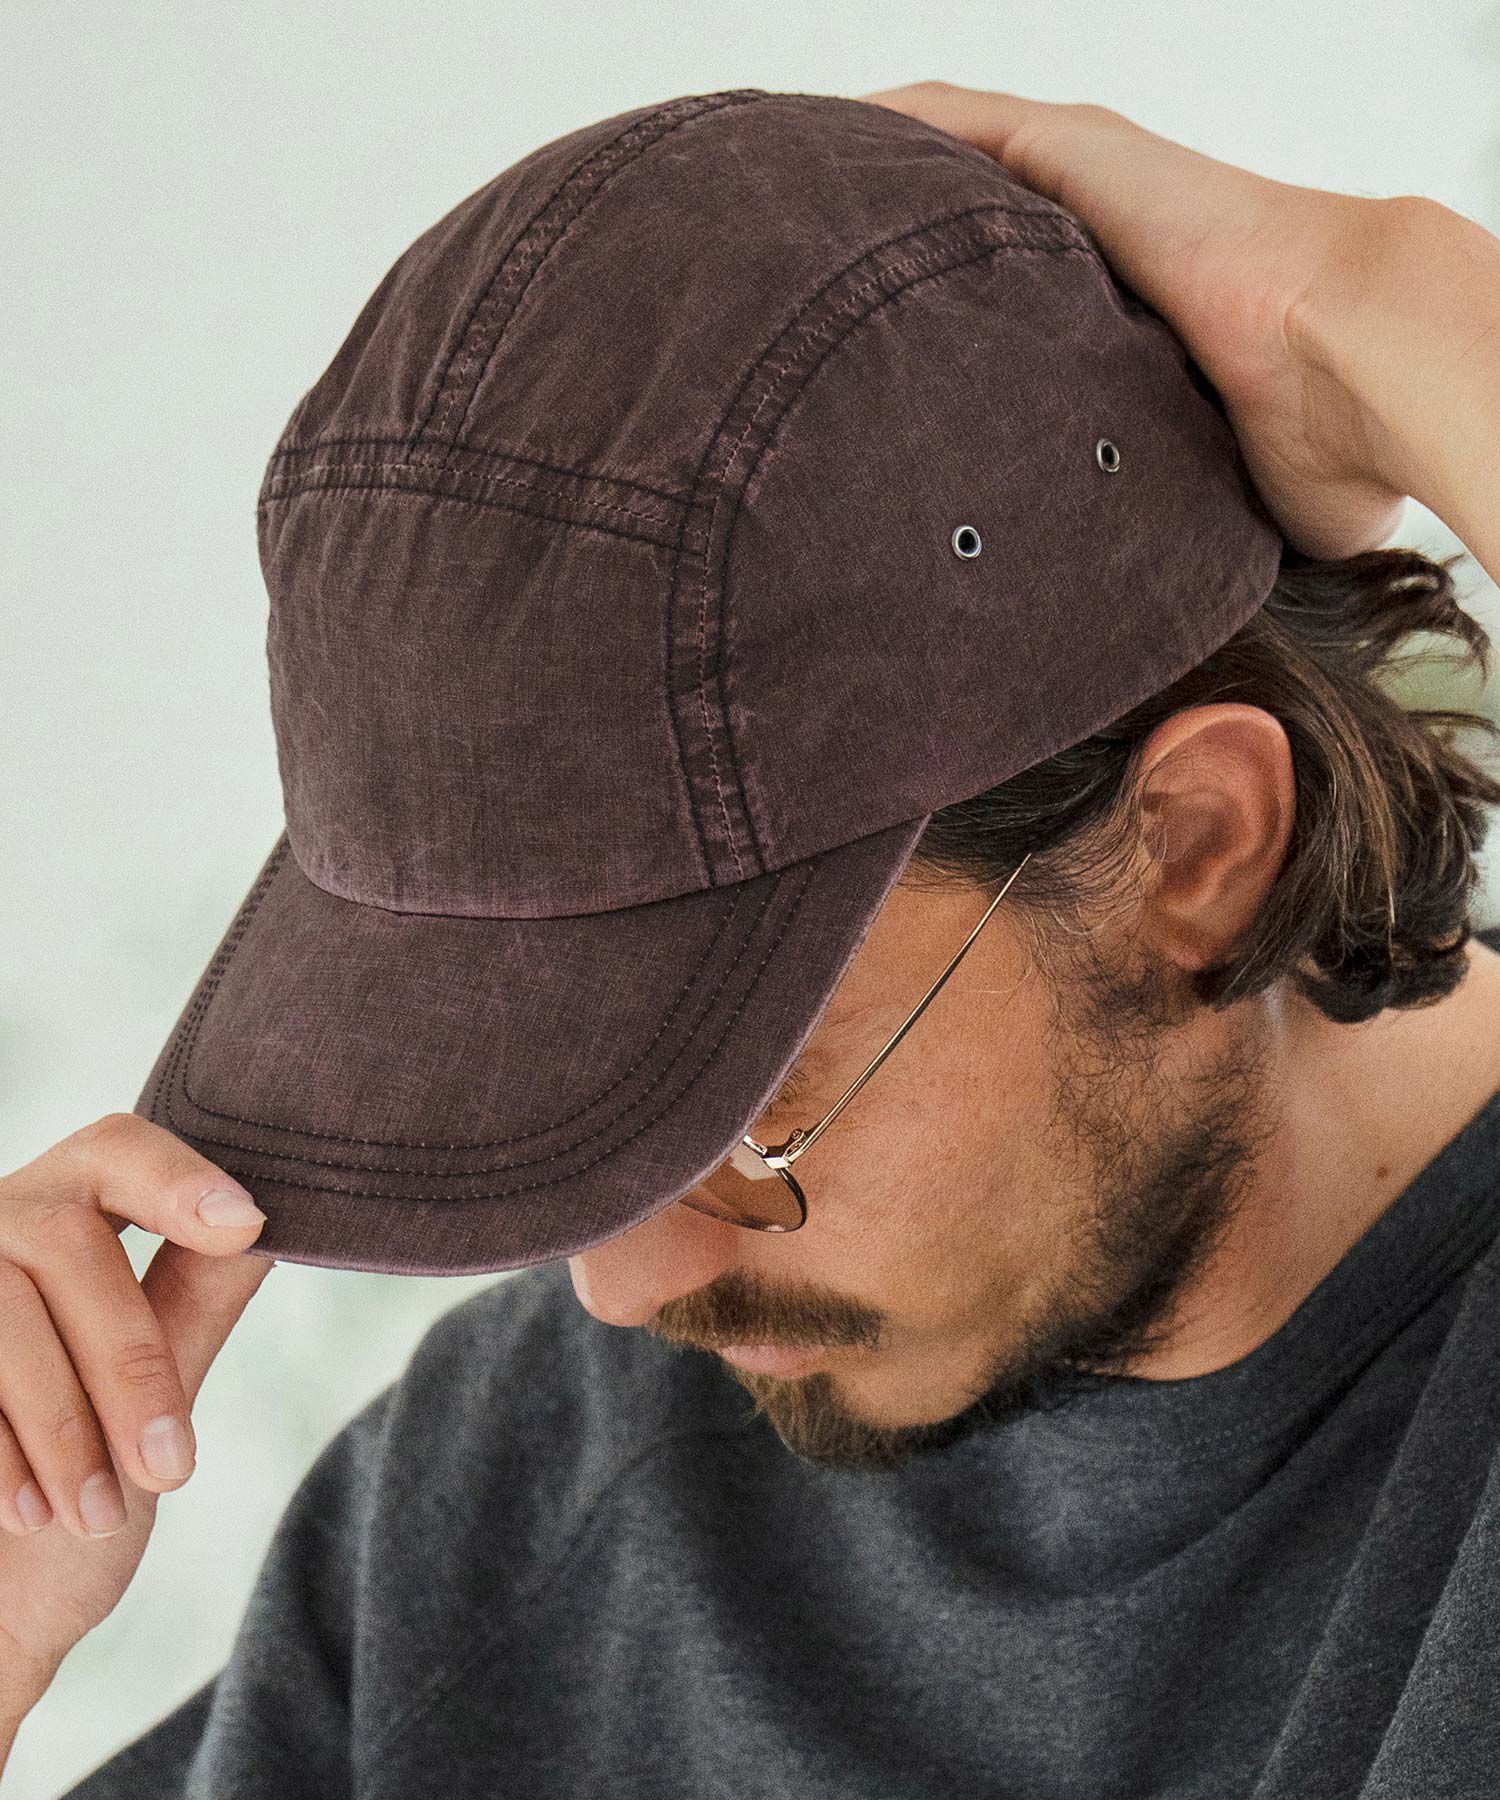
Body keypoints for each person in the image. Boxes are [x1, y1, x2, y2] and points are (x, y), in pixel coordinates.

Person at [5, 80, 1500, 1797]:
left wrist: (1387, 302)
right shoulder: (507, 1496)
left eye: (735, 1109)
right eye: (560, 1103)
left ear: (1198, 847)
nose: (617, 1286)